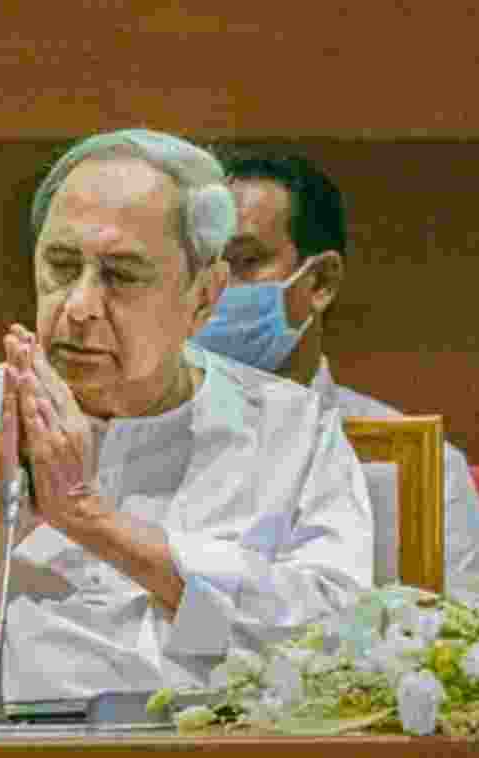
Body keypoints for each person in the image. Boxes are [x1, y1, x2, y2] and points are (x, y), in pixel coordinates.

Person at [0, 130, 373, 704]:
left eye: (120, 275)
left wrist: (95, 523)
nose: (79, 307)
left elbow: (335, 647)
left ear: (205, 296)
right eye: (62, 267)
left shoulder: (293, 434)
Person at [192, 152, 479, 599]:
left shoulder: (420, 470)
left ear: (321, 281)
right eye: (201, 267)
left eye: (245, 262)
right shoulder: (138, 443)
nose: (214, 289)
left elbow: (456, 652)